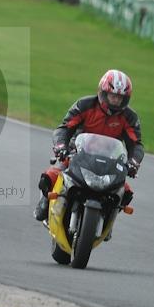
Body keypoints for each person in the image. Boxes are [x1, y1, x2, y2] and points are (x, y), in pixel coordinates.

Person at [34, 69, 144, 223]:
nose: (115, 101)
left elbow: (136, 144)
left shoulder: (129, 117)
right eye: (112, 96)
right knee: (49, 177)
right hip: (77, 154)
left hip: (110, 161)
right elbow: (65, 128)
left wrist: (134, 162)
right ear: (103, 92)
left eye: (119, 98)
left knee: (125, 192)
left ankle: (108, 219)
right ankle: (45, 203)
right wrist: (61, 146)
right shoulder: (85, 105)